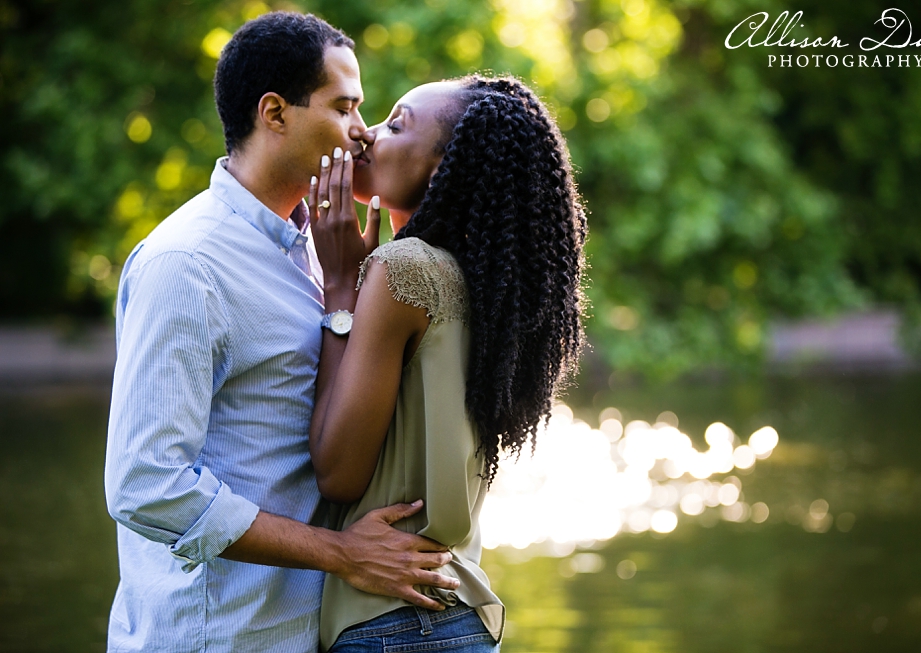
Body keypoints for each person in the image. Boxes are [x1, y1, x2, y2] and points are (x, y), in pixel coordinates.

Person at [104, 12, 458, 652]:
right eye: (345, 108)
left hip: (307, 634)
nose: (361, 132)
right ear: (275, 114)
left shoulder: (325, 252)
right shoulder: (186, 265)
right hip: (216, 636)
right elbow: (146, 483)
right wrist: (343, 554)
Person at [307, 75, 587, 651]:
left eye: (396, 124)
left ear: (442, 170)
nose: (366, 136)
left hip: (388, 622)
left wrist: (340, 287)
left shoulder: (404, 271)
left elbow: (339, 475)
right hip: (458, 611)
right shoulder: (490, 287)